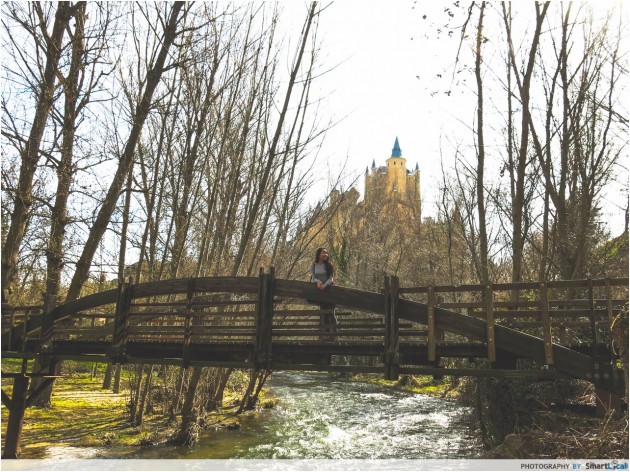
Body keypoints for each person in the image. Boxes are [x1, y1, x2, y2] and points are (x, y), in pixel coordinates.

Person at [311, 247, 337, 341]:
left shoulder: (329, 265)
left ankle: (333, 335)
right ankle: (326, 335)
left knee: (331, 313)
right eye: (324, 252)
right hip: (320, 293)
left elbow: (331, 278)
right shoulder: (314, 265)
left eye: (327, 253)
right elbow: (313, 277)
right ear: (319, 254)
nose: (326, 254)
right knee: (323, 313)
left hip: (329, 291)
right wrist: (317, 281)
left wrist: (324, 285)